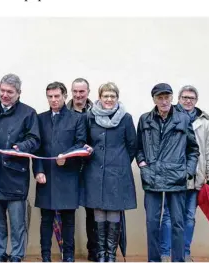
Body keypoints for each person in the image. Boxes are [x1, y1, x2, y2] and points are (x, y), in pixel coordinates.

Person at [136, 83, 199, 262]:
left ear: (172, 98)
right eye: (160, 98)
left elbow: (193, 149)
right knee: (152, 223)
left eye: (167, 97)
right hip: (152, 176)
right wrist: (142, 164)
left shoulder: (183, 119)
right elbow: (138, 146)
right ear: (154, 99)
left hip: (177, 177)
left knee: (178, 223)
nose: (164, 101)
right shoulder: (145, 119)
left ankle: (177, 260)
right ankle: (154, 260)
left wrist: (188, 171)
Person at [0, 73, 40, 262]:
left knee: (18, 223)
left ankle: (17, 254)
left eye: (10, 92)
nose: (5, 95)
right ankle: (0, 253)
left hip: (16, 176)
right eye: (2, 90)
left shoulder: (28, 113)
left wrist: (21, 147)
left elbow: (34, 139)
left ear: (19, 93)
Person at [33, 82, 89, 262]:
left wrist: (67, 155)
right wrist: (38, 171)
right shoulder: (39, 118)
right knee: (46, 220)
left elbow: (81, 143)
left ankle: (69, 257)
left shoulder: (77, 118)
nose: (53, 100)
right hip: (46, 175)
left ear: (65, 96)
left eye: (57, 96)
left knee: (68, 220)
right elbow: (36, 148)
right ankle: (46, 256)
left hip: (68, 175)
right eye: (50, 96)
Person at [160, 85, 209, 262]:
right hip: (173, 176)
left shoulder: (204, 122)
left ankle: (184, 252)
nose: (188, 100)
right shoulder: (170, 117)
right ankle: (165, 253)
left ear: (196, 100)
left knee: (189, 216)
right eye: (184, 97)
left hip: (195, 176)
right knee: (169, 215)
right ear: (178, 99)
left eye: (191, 98)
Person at [82, 82, 137, 262]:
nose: (109, 99)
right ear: (99, 97)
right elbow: (85, 142)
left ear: (117, 98)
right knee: (98, 211)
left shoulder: (126, 118)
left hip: (117, 173)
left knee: (113, 211)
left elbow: (132, 145)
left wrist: (119, 163)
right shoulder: (90, 117)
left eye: (112, 96)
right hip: (95, 172)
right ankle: (100, 253)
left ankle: (111, 254)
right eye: (105, 96)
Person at [65, 77, 97, 261]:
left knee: (92, 211)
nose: (78, 95)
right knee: (66, 211)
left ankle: (93, 250)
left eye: (82, 92)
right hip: (68, 168)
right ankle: (66, 251)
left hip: (90, 167)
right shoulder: (64, 112)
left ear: (88, 92)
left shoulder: (96, 112)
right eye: (75, 91)